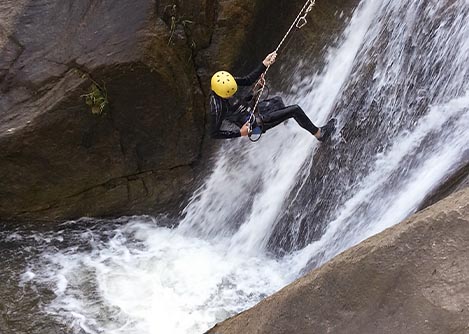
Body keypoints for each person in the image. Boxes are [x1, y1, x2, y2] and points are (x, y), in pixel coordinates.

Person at [208, 51, 336, 141]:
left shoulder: (226, 81)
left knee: (277, 101)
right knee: (295, 109)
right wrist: (240, 133)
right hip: (254, 126)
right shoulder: (217, 107)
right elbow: (214, 133)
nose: (231, 94)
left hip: (253, 111)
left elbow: (247, 80)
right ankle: (320, 134)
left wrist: (264, 64)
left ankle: (292, 127)